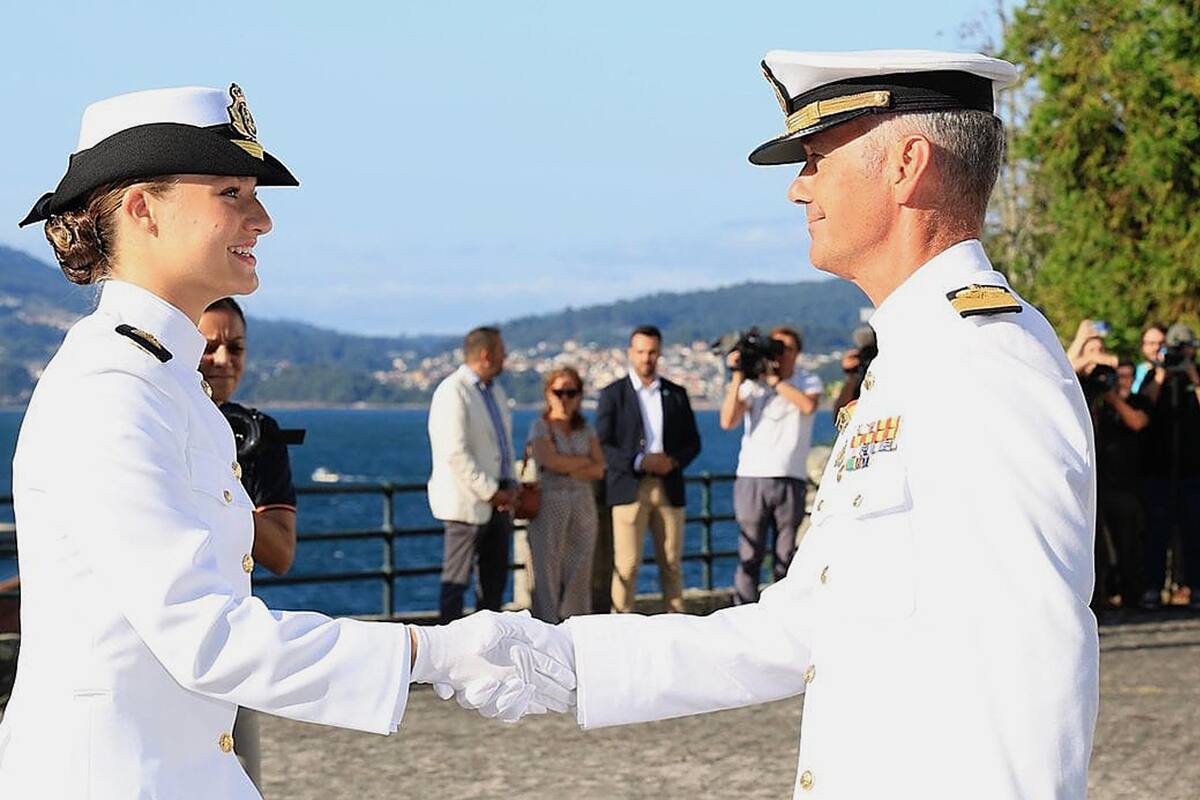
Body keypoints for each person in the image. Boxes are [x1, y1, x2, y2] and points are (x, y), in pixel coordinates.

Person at [502, 50, 1101, 798]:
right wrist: (536, 659)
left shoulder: (982, 358)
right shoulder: (921, 356)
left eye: (817, 158)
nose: (797, 188)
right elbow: (799, 626)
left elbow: (1031, 656)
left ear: (907, 164)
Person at [0, 85, 571, 800]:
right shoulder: (111, 386)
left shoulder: (164, 380)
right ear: (143, 207)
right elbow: (204, 635)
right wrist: (433, 650)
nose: (262, 218)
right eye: (232, 191)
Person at [197, 296, 298, 791]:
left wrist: (217, 487)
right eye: (208, 345)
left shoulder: (258, 436)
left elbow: (280, 552)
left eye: (235, 347)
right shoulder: (156, 424)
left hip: (229, 642)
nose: (223, 360)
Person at [595, 326, 701, 613]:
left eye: (652, 352)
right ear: (631, 353)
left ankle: (677, 624)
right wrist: (639, 461)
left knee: (672, 563)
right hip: (629, 487)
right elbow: (603, 445)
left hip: (668, 486)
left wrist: (673, 461)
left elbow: (693, 442)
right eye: (641, 352)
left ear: (660, 353)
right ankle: (619, 625)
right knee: (626, 565)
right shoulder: (612, 395)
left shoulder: (676, 394)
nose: (647, 358)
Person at [719, 326, 823, 604]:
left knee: (786, 555)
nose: (779, 353)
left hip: (791, 476)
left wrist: (776, 382)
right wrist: (739, 374)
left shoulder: (808, 380)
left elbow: (808, 406)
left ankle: (786, 612)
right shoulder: (754, 384)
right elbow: (728, 421)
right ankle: (743, 611)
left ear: (797, 353)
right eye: (775, 346)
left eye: (786, 348)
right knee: (749, 552)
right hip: (752, 476)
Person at [427, 326, 517, 623]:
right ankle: (446, 653)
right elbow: (456, 452)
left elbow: (501, 445)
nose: (506, 358)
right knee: (456, 582)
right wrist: (492, 491)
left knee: (494, 584)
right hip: (468, 504)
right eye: (502, 352)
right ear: (486, 354)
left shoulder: (494, 391)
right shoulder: (453, 391)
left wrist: (509, 486)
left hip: (498, 500)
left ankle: (488, 646)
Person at [525, 367, 605, 622]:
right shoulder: (540, 427)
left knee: (580, 567)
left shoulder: (586, 429)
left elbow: (600, 468)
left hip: (583, 506)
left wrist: (565, 464)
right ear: (548, 394)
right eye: (559, 392)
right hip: (549, 505)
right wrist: (582, 462)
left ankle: (576, 623)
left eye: (571, 392)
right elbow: (549, 461)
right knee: (546, 569)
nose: (565, 398)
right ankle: (547, 625)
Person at [1136, 322, 1200, 608]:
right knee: (1156, 531)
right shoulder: (1153, 375)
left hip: (1192, 469)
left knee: (1194, 531)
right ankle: (1152, 587)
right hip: (1157, 469)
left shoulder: (1194, 375)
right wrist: (1162, 373)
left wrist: (1191, 375)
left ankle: (1195, 587)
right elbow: (1143, 407)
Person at [1131, 323, 1167, 395]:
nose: (1157, 348)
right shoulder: (1134, 372)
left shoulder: (1175, 371)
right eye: (1151, 343)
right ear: (1142, 346)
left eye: (1161, 343)